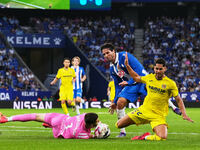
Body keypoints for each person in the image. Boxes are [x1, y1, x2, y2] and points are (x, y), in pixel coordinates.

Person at [101, 43, 181, 137]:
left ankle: (174, 107)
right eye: (104, 54)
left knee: (157, 92)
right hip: (131, 84)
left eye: (108, 52)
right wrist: (114, 102)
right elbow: (118, 86)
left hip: (143, 79)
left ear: (113, 51)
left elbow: (139, 71)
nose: (106, 55)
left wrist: (130, 82)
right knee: (120, 102)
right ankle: (123, 132)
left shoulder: (124, 56)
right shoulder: (112, 68)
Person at [116, 53, 193, 141]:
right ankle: (142, 120)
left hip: (158, 115)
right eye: (156, 69)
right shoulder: (149, 78)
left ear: (165, 69)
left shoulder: (170, 83)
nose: (158, 71)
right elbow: (136, 78)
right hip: (144, 111)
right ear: (154, 68)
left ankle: (144, 137)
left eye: (160, 69)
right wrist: (127, 65)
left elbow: (178, 100)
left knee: (162, 137)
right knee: (119, 124)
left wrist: (184, 114)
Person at [0, 112, 99, 139]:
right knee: (59, 132)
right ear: (90, 124)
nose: (98, 122)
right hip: (59, 129)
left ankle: (7, 119)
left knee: (35, 116)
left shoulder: (84, 115)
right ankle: (51, 126)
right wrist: (98, 135)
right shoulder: (81, 134)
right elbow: (90, 135)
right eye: (97, 121)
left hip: (59, 118)